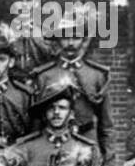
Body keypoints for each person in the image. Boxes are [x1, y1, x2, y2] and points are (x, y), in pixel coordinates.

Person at [13, 78, 104, 166]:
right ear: (44, 114)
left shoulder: (87, 148)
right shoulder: (25, 148)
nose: (56, 113)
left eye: (62, 108)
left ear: (71, 114)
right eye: (51, 108)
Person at [31, 10, 112, 156]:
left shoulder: (96, 75)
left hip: (87, 140)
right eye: (65, 37)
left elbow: (106, 126)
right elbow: (36, 123)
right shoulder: (44, 75)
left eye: (75, 37)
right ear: (57, 40)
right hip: (52, 145)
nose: (70, 43)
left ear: (83, 39)